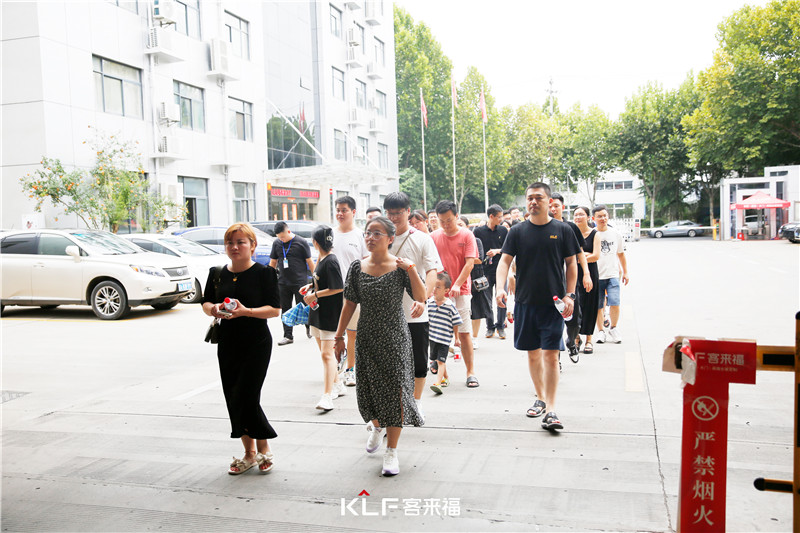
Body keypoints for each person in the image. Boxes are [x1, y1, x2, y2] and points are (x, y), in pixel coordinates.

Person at [334, 216, 426, 476]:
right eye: (367, 233)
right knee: (369, 391)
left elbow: (421, 296)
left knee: (396, 393)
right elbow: (349, 304)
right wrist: (339, 337)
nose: (370, 237)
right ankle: (376, 426)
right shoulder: (357, 267)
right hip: (366, 337)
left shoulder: (400, 267)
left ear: (390, 238)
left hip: (395, 338)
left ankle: (391, 451)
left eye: (377, 233)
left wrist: (411, 269)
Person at [495, 183, 580, 432]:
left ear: (549, 201)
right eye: (530, 198)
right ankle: (540, 398)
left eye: (538, 198)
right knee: (532, 354)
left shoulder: (562, 230)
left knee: (551, 355)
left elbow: (571, 264)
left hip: (554, 304)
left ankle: (552, 409)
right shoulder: (517, 231)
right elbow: (504, 262)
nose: (533, 201)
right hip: (525, 302)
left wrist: (570, 295)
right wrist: (500, 288)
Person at [202, 223, 282, 475]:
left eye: (240, 242)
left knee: (248, 395)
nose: (234, 247)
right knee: (233, 395)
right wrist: (214, 309)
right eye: (230, 242)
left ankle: (263, 448)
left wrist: (246, 311)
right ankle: (249, 453)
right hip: (228, 341)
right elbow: (206, 302)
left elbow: (274, 310)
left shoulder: (264, 273)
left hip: (256, 342)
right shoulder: (217, 273)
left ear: (252, 245)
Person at [384, 192, 442, 422]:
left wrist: (423, 299)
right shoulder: (381, 237)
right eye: (389, 213)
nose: (393, 217)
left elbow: (432, 271)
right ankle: (390, 408)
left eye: (398, 213)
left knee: (418, 362)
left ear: (408, 211)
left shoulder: (422, 239)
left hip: (415, 312)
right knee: (389, 364)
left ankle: (416, 403)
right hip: (387, 314)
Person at [430, 200, 480, 388]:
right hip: (438, 293)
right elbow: (430, 264)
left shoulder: (467, 235)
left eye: (449, 220)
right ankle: (442, 374)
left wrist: (457, 284)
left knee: (465, 333)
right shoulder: (433, 237)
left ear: (457, 216)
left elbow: (470, 263)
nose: (445, 225)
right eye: (441, 221)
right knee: (438, 334)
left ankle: (470, 372)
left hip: (461, 291)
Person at [302, 225, 345, 411]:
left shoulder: (331, 261)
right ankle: (338, 385)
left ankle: (327, 396)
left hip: (329, 314)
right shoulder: (321, 258)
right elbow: (321, 280)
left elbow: (338, 287)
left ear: (315, 242)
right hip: (317, 312)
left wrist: (315, 295)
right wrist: (310, 287)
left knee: (327, 354)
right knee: (325, 354)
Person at [550, 193, 592, 363]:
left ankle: (571, 341)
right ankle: (556, 359)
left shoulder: (570, 228)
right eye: (550, 206)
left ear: (562, 207)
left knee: (574, 320)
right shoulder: (542, 227)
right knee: (554, 322)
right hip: (551, 282)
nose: (553, 209)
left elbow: (579, 252)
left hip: (570, 282)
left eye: (556, 206)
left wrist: (586, 273)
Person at [331, 196, 368, 386]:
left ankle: (350, 369)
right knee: (333, 333)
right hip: (331, 292)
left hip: (353, 293)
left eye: (344, 210)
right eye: (338, 210)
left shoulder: (360, 235)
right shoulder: (330, 234)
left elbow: (366, 263)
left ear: (353, 212)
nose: (340, 213)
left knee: (352, 333)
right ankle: (334, 370)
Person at [269, 222, 314, 346]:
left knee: (304, 306)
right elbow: (273, 262)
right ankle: (288, 336)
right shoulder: (276, 243)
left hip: (300, 282)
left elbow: (309, 261)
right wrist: (269, 278)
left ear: (288, 231)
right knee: (285, 309)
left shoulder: (301, 242)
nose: (281, 240)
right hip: (283, 282)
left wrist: (316, 278)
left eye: (283, 237)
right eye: (279, 237)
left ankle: (309, 326)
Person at [592, 205, 630, 344]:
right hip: (596, 276)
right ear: (594, 218)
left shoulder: (615, 234)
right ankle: (601, 331)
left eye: (605, 215)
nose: (603, 218)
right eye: (599, 216)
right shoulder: (591, 234)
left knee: (615, 303)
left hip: (612, 275)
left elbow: (621, 254)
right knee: (598, 306)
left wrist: (625, 272)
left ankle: (613, 328)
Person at [473, 204, 509, 339]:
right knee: (487, 300)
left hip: (500, 270)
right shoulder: (478, 231)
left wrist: (497, 251)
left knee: (502, 298)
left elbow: (508, 248)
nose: (501, 219)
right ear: (491, 216)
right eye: (499, 217)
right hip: (485, 271)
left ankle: (501, 326)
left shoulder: (503, 231)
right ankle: (490, 327)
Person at [459, 215, 491, 350]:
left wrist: (465, 258)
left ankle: (475, 338)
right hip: (459, 278)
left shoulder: (476, 240)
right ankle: (459, 339)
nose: (459, 228)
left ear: (467, 227)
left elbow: (479, 259)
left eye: (461, 225)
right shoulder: (453, 241)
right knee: (460, 310)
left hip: (475, 279)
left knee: (476, 310)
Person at [428, 272, 462, 395]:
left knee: (441, 361)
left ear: (446, 290)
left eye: (438, 287)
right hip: (433, 337)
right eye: (434, 286)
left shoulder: (450, 306)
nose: (434, 289)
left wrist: (457, 338)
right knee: (438, 360)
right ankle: (446, 378)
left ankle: (438, 383)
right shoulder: (429, 303)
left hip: (444, 339)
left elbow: (456, 323)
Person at [572, 206, 601, 354]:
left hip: (591, 273)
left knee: (590, 304)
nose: (578, 217)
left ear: (588, 217)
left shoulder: (595, 234)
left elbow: (596, 256)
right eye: (576, 215)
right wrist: (584, 256)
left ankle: (589, 339)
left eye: (581, 214)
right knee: (575, 305)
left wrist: (580, 257)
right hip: (574, 273)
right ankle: (576, 337)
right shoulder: (571, 233)